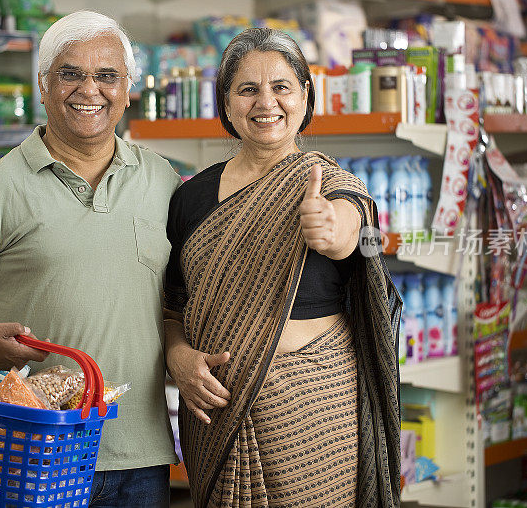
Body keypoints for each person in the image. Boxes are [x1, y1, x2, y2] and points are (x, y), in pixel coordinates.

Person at [0, 10, 181, 507]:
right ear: (43, 86)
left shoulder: (161, 179)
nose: (90, 90)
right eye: (71, 74)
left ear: (127, 90)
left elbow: (179, 297)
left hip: (141, 455)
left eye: (107, 76)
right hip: (30, 449)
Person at [164, 28, 402, 507]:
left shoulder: (332, 185)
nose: (265, 102)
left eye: (281, 87)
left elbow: (346, 231)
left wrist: (328, 229)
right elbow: (173, 307)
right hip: (219, 412)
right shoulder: (190, 198)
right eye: (247, 89)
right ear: (226, 103)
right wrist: (178, 358)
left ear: (305, 97)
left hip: (316, 409)